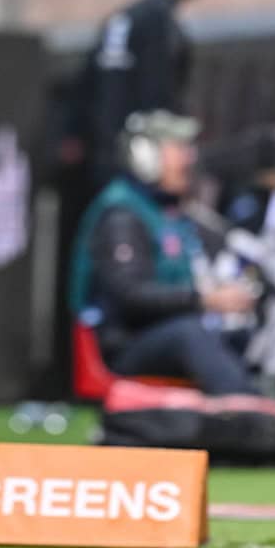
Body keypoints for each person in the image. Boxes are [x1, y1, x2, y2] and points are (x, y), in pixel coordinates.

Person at [70, 110, 258, 395]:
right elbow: (130, 294)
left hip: (174, 330)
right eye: (180, 148)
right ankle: (252, 416)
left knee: (245, 338)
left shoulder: (172, 213)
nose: (190, 158)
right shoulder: (122, 214)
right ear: (145, 156)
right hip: (125, 344)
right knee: (190, 335)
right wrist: (205, 299)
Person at [69, 0, 201, 185]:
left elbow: (87, 84)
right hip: (142, 156)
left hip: (104, 149)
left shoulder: (124, 17)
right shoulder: (157, 19)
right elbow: (158, 95)